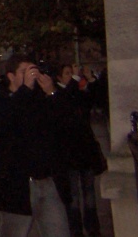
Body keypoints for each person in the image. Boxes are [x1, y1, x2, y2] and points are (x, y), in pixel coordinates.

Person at [0, 53, 72, 237]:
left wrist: (51, 93)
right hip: (18, 186)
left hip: (47, 182)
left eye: (33, 71)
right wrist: (25, 89)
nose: (31, 76)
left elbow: (65, 124)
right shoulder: (1, 99)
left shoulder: (38, 98)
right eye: (24, 72)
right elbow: (5, 125)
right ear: (11, 76)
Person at [54, 64, 104, 237]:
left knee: (90, 192)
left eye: (72, 73)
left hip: (85, 151)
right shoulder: (58, 94)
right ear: (59, 78)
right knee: (73, 195)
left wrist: (90, 79)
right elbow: (65, 101)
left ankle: (92, 226)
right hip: (69, 154)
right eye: (67, 73)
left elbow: (95, 100)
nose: (72, 76)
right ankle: (75, 228)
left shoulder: (78, 92)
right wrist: (75, 80)